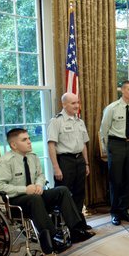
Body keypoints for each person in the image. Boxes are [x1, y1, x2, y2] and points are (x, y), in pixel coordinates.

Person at [0, 128, 95, 254]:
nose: (29, 142)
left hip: (35, 194)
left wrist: (39, 185)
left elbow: (40, 175)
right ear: (14, 145)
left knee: (62, 190)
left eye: (29, 138)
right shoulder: (5, 162)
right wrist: (25, 189)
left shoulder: (32, 157)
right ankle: (51, 238)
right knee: (35, 198)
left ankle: (75, 230)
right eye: (25, 140)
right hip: (15, 199)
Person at [47, 92, 91, 230]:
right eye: (73, 103)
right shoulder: (56, 121)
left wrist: (87, 163)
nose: (77, 105)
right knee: (64, 194)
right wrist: (56, 168)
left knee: (79, 193)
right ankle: (63, 225)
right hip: (65, 161)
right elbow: (51, 145)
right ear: (64, 104)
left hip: (79, 161)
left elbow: (83, 144)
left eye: (77, 102)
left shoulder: (80, 121)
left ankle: (78, 223)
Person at [100, 80, 129, 226]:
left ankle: (124, 210)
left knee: (128, 179)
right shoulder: (112, 108)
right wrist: (108, 148)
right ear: (122, 90)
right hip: (115, 144)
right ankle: (115, 212)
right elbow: (103, 130)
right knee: (116, 180)